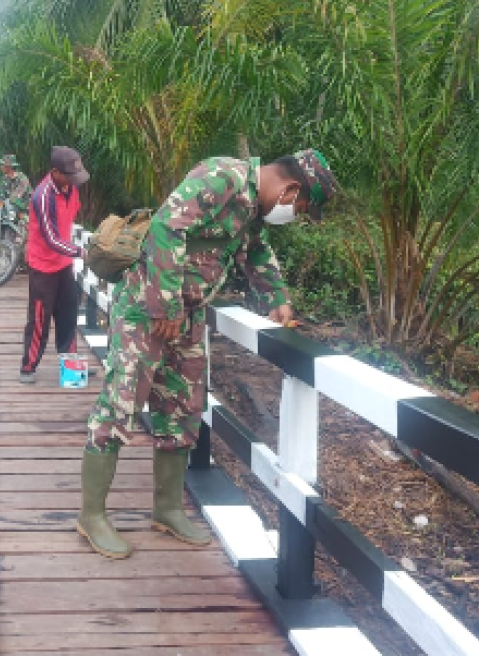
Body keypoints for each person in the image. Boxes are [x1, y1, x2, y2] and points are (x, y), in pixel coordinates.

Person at [77, 149, 338, 559]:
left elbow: (255, 251)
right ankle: (91, 515)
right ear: (289, 190)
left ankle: (166, 509)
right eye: (301, 207)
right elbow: (166, 228)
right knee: (121, 402)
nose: (296, 214)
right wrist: (165, 304)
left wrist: (277, 298)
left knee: (184, 406)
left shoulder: (252, 207)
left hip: (187, 316)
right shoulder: (222, 177)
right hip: (146, 311)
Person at [20, 146, 89, 383]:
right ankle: (28, 367)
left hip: (64, 263)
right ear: (55, 172)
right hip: (43, 266)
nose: (73, 182)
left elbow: (68, 221)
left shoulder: (72, 188)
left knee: (69, 313)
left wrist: (74, 253)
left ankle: (70, 368)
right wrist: (82, 252)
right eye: (69, 177)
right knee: (40, 317)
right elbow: (51, 238)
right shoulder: (43, 196)